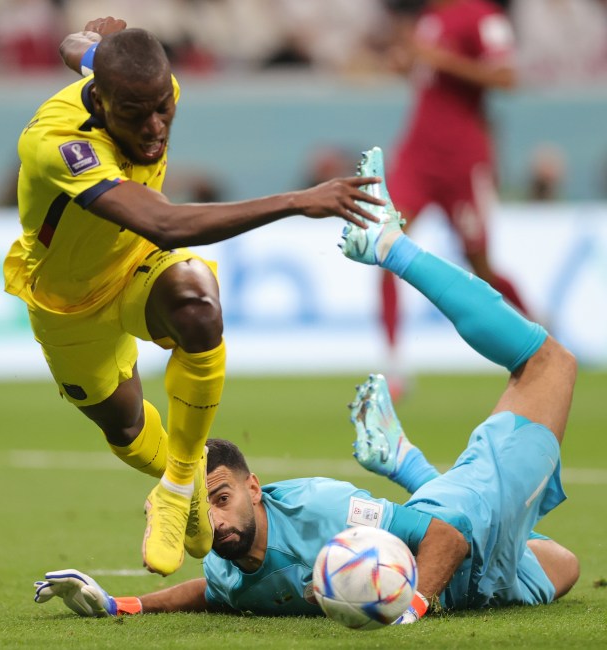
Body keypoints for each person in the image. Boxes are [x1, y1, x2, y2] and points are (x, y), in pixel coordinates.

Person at [32, 146, 579, 622]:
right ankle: (408, 466)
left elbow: (448, 538)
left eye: (221, 498)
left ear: (254, 488)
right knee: (566, 567)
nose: (216, 521)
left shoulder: (321, 507)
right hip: (486, 585)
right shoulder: (229, 569)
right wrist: (118, 604)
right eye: (205, 506)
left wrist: (410, 609)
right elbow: (210, 594)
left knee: (546, 362)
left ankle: (392, 248)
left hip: (461, 529)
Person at [2, 18, 387, 577]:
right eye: (136, 115)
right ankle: (177, 485)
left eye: (164, 108)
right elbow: (163, 222)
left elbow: (77, 48)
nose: (155, 126)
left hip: (136, 264)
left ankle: (180, 485)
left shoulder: (143, 83)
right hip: (68, 301)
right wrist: (298, 201)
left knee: (198, 305)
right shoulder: (58, 144)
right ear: (102, 104)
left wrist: (90, 41)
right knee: (126, 428)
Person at [381, 0, 532, 399]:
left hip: (462, 160)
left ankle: (539, 333)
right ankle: (395, 364)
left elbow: (506, 77)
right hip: (417, 154)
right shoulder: (430, 18)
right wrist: (407, 62)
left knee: (481, 266)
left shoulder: (483, 18)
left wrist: (440, 59)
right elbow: (427, 74)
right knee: (384, 244)